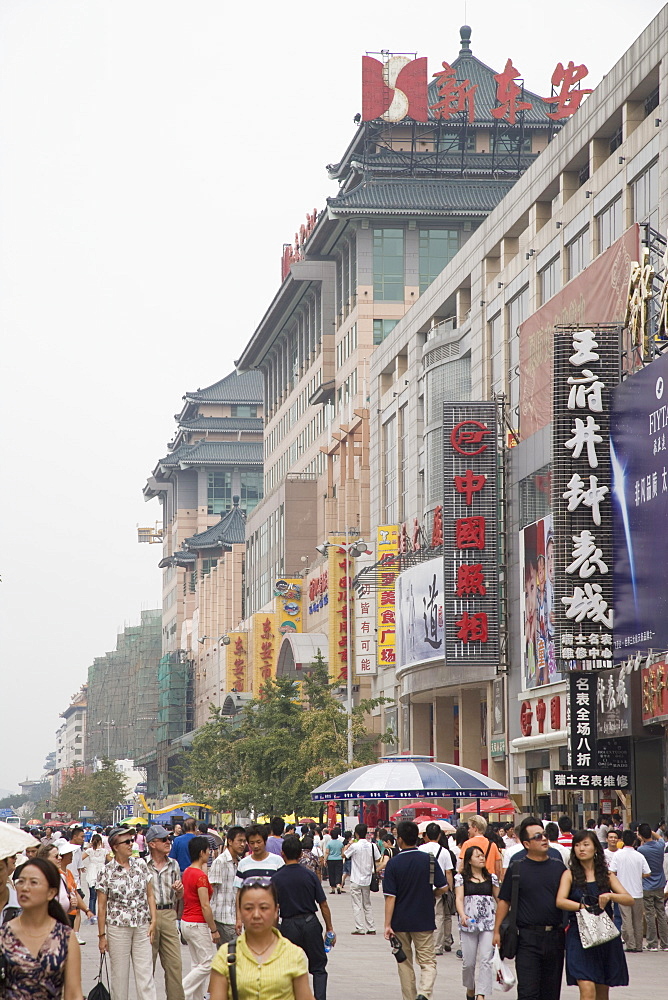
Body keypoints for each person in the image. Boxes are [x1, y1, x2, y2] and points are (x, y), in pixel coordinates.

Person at [493, 816, 566, 1000]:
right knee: (528, 992)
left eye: (545, 835)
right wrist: (496, 932)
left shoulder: (559, 868)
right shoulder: (517, 869)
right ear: (526, 843)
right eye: (538, 836)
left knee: (551, 993)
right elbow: (504, 901)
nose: (544, 839)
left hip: (555, 938)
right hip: (527, 939)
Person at [209, 877, 315, 1000]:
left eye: (264, 908)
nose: (256, 915)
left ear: (276, 910)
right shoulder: (225, 955)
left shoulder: (293, 954)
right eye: (248, 908)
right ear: (240, 912)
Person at [556, 829, 632, 997]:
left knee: (602, 991)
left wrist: (610, 895)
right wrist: (581, 907)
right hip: (579, 935)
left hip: (603, 935)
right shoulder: (569, 875)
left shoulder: (606, 875)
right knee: (587, 987)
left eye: (585, 844)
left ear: (596, 848)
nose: (581, 849)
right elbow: (560, 900)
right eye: (577, 845)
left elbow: (629, 899)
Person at [0, 858, 83, 1000]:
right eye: (21, 881)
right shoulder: (4, 934)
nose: (25, 888)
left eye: (33, 882)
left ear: (51, 893)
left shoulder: (65, 937)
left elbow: (74, 993)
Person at [383, 819, 447, 1000]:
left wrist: (387, 924)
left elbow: (390, 897)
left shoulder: (393, 864)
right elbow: (443, 887)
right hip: (424, 918)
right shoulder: (429, 860)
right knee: (428, 962)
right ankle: (424, 993)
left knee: (404, 963)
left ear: (400, 839)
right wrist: (431, 894)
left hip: (400, 921)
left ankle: (410, 998)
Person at [96, 825, 157, 1000]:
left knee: (145, 974)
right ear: (115, 847)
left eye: (132, 840)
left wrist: (153, 921)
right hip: (117, 927)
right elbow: (101, 906)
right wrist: (102, 935)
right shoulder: (106, 871)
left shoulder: (141, 865)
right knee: (119, 976)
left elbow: (150, 894)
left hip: (142, 924)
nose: (131, 844)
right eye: (127, 842)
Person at [272, 835, 335, 1000]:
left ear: (282, 854)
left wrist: (273, 932)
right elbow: (323, 905)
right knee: (319, 967)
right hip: (310, 923)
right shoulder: (310, 875)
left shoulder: (276, 878)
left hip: (288, 925)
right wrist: (329, 929)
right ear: (300, 854)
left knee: (289, 967)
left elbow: (273, 910)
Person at [145, 824, 185, 1000]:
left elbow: (180, 895)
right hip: (148, 917)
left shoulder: (173, 864)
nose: (169, 842)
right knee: (147, 967)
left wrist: (179, 889)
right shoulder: (142, 865)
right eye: (164, 839)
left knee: (174, 965)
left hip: (169, 914)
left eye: (169, 839)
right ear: (152, 844)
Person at [455, 845, 499, 1000]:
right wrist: (462, 915)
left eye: (482, 855)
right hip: (469, 923)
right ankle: (470, 988)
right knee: (469, 963)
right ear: (469, 861)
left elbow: (499, 899)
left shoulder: (491, 878)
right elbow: (459, 898)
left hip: (488, 924)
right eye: (477, 856)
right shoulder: (461, 878)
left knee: (486, 960)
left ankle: (481, 994)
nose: (481, 858)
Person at [180, 836, 219, 1000]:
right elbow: (205, 905)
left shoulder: (188, 872)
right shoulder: (200, 876)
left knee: (197, 963)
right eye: (208, 851)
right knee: (208, 963)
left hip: (186, 922)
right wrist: (214, 929)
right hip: (197, 922)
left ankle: (195, 997)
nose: (209, 853)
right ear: (202, 852)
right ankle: (181, 992)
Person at [609, 829, 651, 952]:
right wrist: (638, 875)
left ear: (621, 841)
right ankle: (638, 945)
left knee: (626, 919)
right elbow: (648, 873)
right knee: (637, 920)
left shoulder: (618, 855)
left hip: (623, 893)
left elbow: (611, 871)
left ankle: (630, 944)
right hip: (638, 892)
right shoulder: (639, 856)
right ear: (634, 842)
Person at [418, 822, 454, 955]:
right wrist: (449, 889)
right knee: (439, 916)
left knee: (423, 916)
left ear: (425, 835)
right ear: (439, 836)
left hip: (423, 888)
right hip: (439, 888)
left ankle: (423, 944)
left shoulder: (420, 849)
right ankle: (437, 946)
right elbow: (448, 872)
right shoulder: (444, 852)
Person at [210, 824, 247, 944]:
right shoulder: (220, 862)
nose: (243, 844)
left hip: (235, 918)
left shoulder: (240, 863)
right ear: (230, 841)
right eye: (239, 841)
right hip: (222, 917)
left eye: (244, 841)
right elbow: (210, 891)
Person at [344, 823, 380, 935]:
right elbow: (378, 859)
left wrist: (348, 845)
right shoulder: (372, 846)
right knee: (367, 903)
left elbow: (344, 855)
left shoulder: (355, 846)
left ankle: (360, 927)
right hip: (367, 878)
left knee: (356, 904)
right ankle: (371, 927)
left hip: (355, 878)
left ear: (356, 834)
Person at [636, 821, 668, 950]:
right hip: (660, 884)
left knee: (650, 915)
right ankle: (665, 943)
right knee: (661, 913)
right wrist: (650, 832)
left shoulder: (641, 850)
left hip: (647, 885)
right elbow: (660, 838)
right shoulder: (660, 846)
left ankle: (652, 943)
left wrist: (642, 837)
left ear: (640, 835)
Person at [235, 825, 284, 899]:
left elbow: (283, 889)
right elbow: (239, 892)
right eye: (252, 843)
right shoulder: (243, 864)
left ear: (265, 841)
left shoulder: (278, 861)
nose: (255, 846)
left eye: (258, 842)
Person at [56, 841, 93, 932]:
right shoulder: (56, 875)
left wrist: (86, 910)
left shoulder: (69, 873)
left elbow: (75, 892)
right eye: (69, 853)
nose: (71, 855)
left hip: (71, 914)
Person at [84, 834, 108, 924]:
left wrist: (81, 867)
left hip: (91, 873)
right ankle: (103, 916)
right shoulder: (104, 851)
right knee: (103, 897)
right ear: (101, 842)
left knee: (92, 897)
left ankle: (92, 916)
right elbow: (111, 860)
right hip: (102, 873)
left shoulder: (89, 851)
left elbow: (80, 859)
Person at [323, 827, 343, 894]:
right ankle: (338, 885)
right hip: (339, 859)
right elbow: (342, 852)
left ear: (331, 836)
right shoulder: (340, 843)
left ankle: (333, 888)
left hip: (330, 860)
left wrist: (325, 860)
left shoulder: (329, 843)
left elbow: (327, 852)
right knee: (338, 873)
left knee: (331, 874)